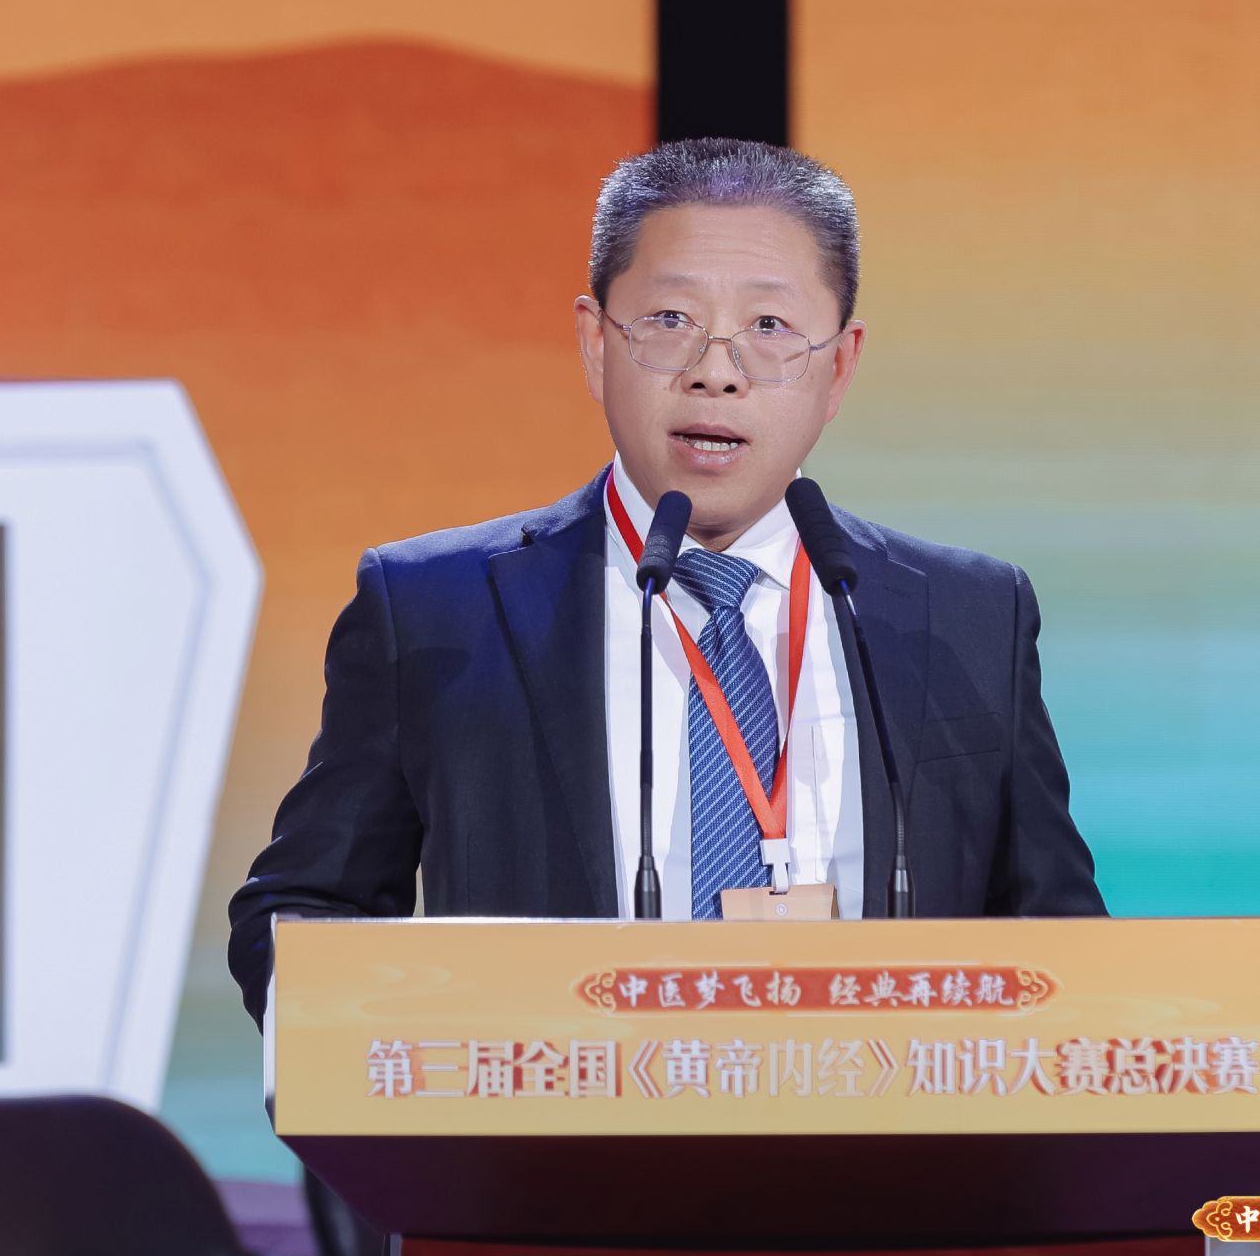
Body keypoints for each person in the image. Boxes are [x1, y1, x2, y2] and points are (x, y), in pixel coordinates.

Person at [228, 138, 1104, 1026]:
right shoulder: (435, 612)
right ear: (595, 343)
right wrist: (440, 1061)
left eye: (770, 327)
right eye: (670, 319)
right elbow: (301, 914)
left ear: (839, 366)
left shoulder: (967, 618)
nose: (715, 371)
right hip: (548, 1115)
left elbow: (1065, 955)